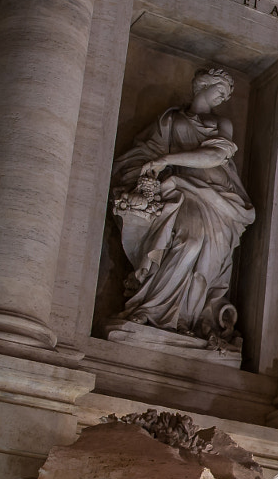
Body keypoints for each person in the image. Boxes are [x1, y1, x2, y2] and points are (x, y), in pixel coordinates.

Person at [109, 68, 256, 345]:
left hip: (219, 198)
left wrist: (167, 159)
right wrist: (152, 169)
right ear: (202, 85)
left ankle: (185, 321)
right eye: (220, 90)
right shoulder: (170, 120)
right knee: (188, 242)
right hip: (182, 191)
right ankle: (153, 310)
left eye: (226, 94)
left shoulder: (222, 122)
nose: (223, 97)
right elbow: (141, 154)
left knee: (207, 260)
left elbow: (216, 155)